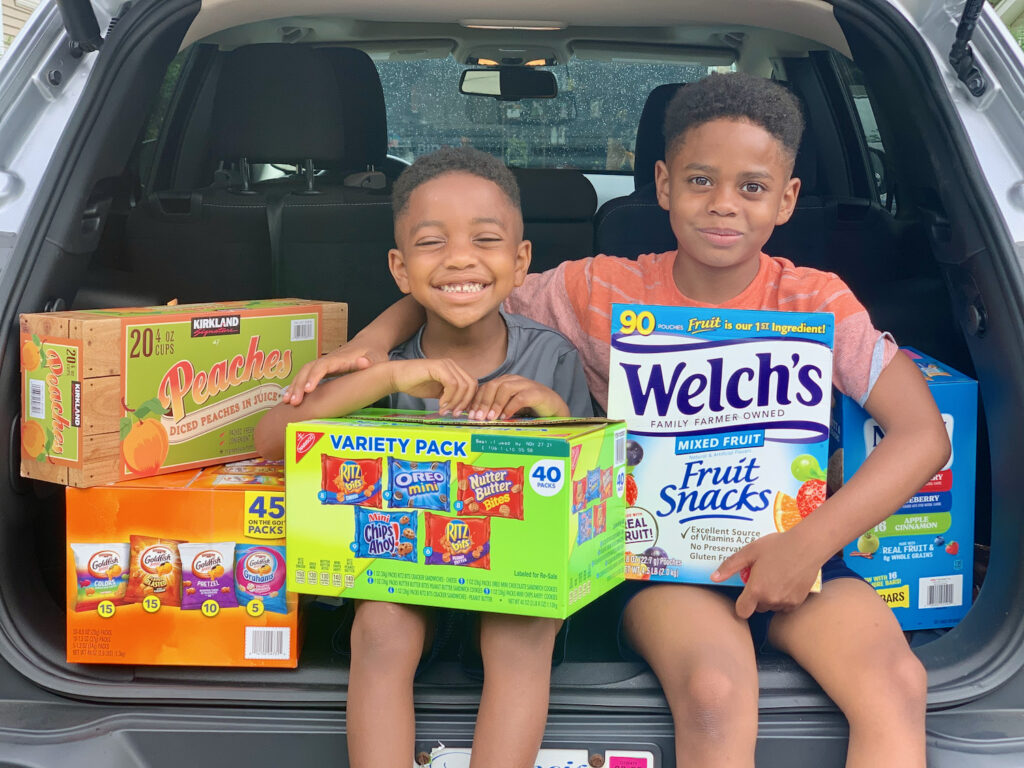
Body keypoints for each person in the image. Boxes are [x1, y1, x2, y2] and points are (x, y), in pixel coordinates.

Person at [286, 73, 950, 767]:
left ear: (785, 199)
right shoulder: (597, 289)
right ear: (662, 185)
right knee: (716, 689)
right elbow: (460, 289)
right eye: (699, 181)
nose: (723, 206)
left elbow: (922, 434)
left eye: (751, 188)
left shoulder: (815, 299)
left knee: (898, 681)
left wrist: (807, 547)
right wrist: (370, 343)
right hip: (663, 563)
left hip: (801, 545)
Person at [256, 146, 592, 768]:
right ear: (400, 268)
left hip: (519, 581)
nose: (460, 258)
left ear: (521, 263)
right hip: (402, 575)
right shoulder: (375, 368)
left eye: (485, 240)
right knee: (381, 626)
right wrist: (387, 376)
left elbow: (594, 485)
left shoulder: (552, 358)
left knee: (524, 627)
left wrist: (550, 412)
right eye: (431, 242)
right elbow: (271, 440)